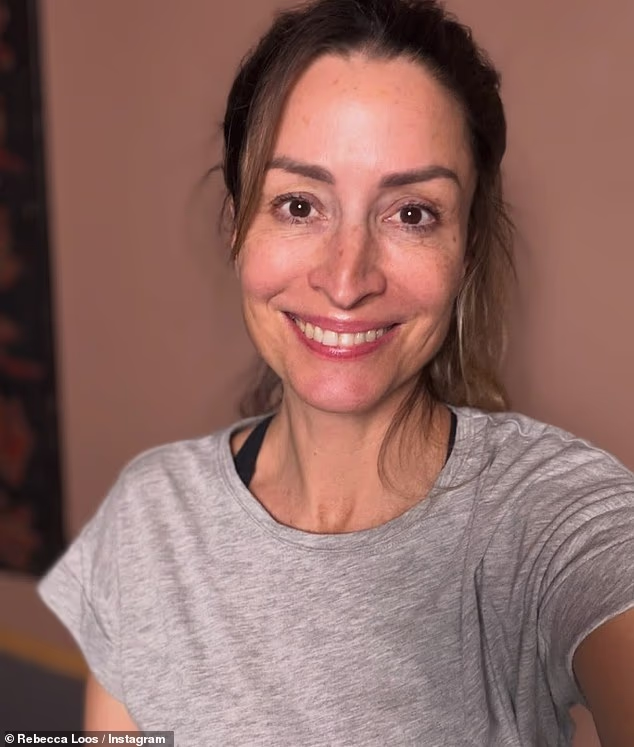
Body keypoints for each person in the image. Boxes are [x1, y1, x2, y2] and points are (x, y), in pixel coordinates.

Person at [39, 0, 634, 744]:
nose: (347, 280)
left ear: (467, 249)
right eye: (298, 205)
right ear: (235, 226)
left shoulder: (556, 519)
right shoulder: (149, 519)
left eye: (411, 214)